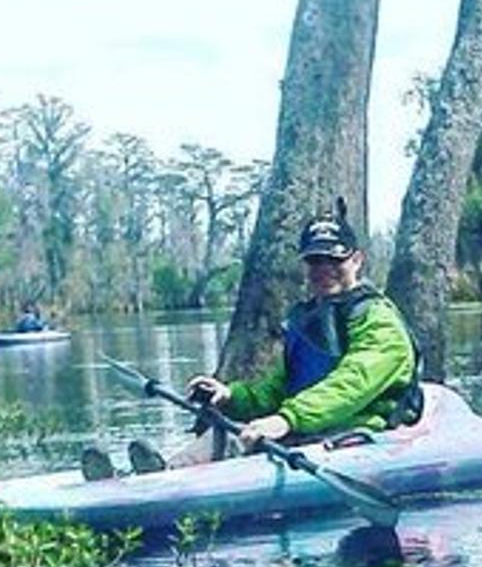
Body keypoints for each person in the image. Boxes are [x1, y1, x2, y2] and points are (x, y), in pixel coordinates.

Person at [83, 203, 421, 480]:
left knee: (240, 439)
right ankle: (157, 476)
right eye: (315, 260)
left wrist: (286, 419)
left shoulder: (378, 320)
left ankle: (168, 484)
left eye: (334, 260)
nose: (323, 268)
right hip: (307, 427)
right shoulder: (307, 317)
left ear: (357, 260)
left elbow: (353, 383)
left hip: (355, 434)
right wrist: (230, 395)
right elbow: (277, 389)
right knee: (221, 429)